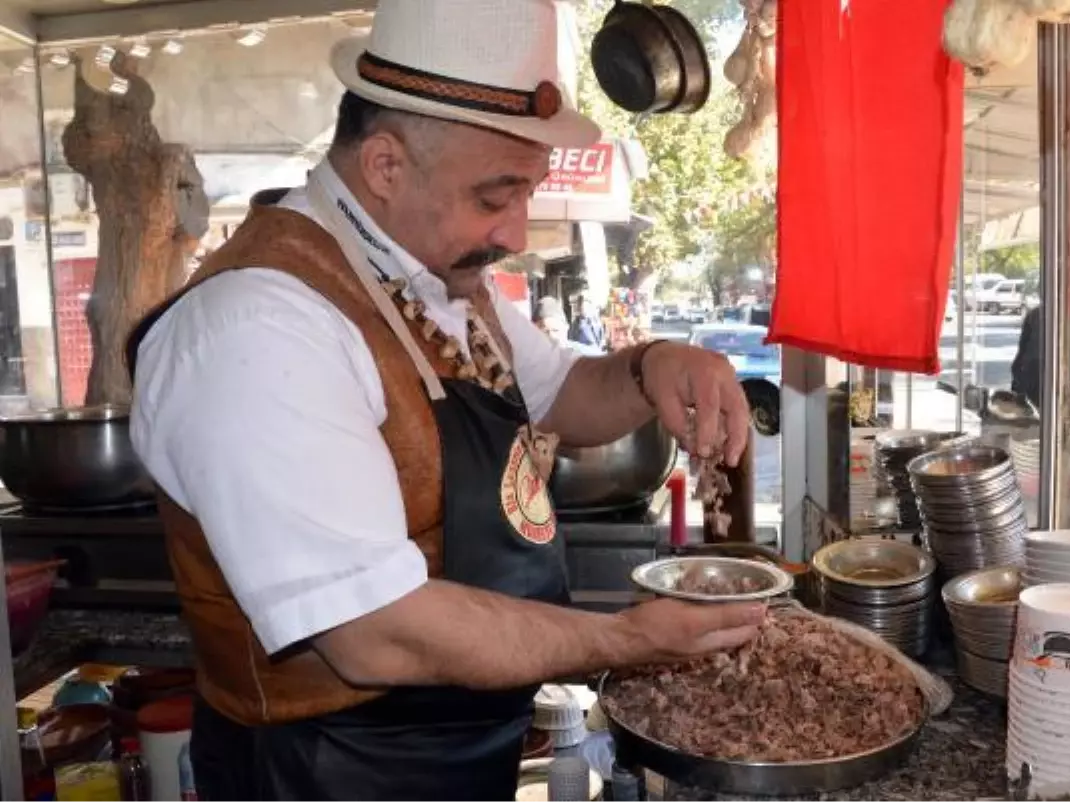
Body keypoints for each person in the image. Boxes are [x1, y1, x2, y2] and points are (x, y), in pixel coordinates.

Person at [125, 2, 760, 800]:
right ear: (386, 165)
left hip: (460, 751)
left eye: (527, 193)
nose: (519, 231)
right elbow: (373, 633)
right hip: (326, 770)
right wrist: (627, 640)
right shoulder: (260, 326)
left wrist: (651, 366)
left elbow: (564, 388)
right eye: (496, 197)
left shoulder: (433, 275)